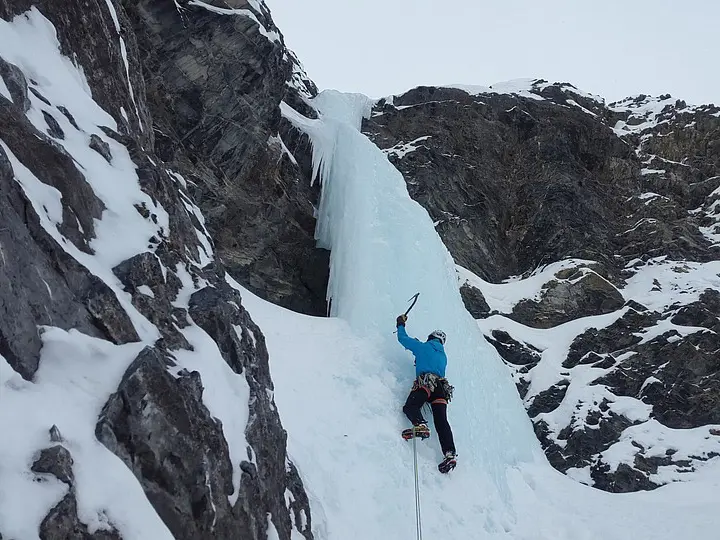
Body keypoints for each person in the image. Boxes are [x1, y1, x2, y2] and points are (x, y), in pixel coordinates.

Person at [396, 313, 457, 473]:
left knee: (410, 407)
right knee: (442, 421)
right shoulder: (443, 356)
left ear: (430, 338)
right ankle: (449, 454)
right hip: (441, 389)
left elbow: (403, 339)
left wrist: (400, 324)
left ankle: (420, 424)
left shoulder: (423, 347)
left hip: (426, 383)